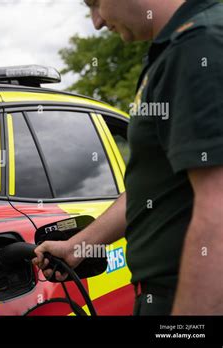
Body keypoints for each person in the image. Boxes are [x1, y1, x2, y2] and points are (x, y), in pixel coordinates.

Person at [33, 0, 223, 315]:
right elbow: (152, 190)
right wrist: (77, 247)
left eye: (94, 3)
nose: (96, 21)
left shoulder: (198, 44)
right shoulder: (175, 48)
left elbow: (218, 207)